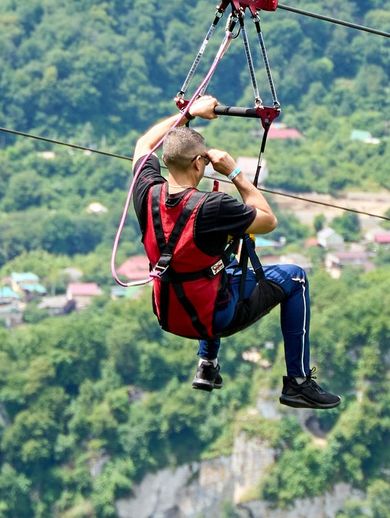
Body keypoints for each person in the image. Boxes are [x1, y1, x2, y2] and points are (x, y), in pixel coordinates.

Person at [130, 93, 339, 408]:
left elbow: (144, 144)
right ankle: (298, 382)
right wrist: (234, 173)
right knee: (295, 278)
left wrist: (188, 114)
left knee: (213, 267)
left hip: (169, 314)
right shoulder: (213, 207)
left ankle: (207, 364)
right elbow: (268, 221)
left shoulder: (146, 192)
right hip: (215, 317)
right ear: (199, 163)